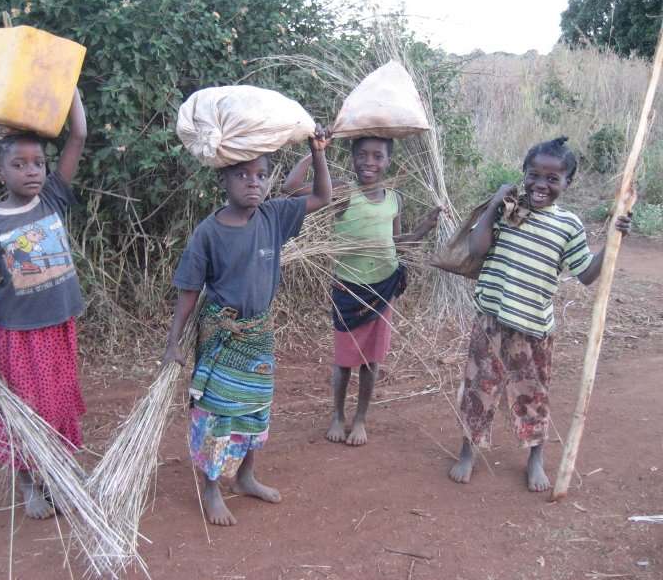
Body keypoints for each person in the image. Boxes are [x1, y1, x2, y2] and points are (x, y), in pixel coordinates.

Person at [161, 125, 332, 526]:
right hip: (223, 338)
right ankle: (212, 488)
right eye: (242, 175)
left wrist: (317, 150)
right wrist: (173, 343)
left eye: (261, 175)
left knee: (256, 407)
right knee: (216, 412)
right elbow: (188, 290)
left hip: (260, 335)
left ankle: (247, 476)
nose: (253, 183)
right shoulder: (209, 232)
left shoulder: (273, 215)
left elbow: (322, 196)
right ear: (221, 180)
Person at [449, 136, 632, 491]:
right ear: (523, 174)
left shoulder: (568, 226)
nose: (541, 185)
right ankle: (467, 451)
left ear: (567, 183)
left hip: (533, 328)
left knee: (532, 395)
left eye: (553, 179)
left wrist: (612, 240)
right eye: (535, 175)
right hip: (491, 321)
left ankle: (536, 458)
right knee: (478, 390)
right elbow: (476, 248)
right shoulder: (507, 211)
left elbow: (586, 274)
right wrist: (493, 206)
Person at [0, 89, 87, 519]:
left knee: (58, 404)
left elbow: (79, 136)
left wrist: (68, 88)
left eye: (38, 163)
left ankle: (57, 473)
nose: (32, 171)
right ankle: (29, 482)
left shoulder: (50, 198)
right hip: (17, 336)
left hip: (60, 326)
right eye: (19, 164)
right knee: (26, 410)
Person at [283, 136, 444, 446]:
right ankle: (338, 415)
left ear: (389, 162)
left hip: (384, 288)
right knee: (344, 360)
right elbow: (291, 187)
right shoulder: (342, 191)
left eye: (377, 156)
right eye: (362, 155)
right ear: (353, 159)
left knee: (372, 361)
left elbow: (396, 245)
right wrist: (317, 151)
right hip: (349, 290)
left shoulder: (394, 199)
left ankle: (360, 419)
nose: (369, 162)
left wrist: (426, 225)